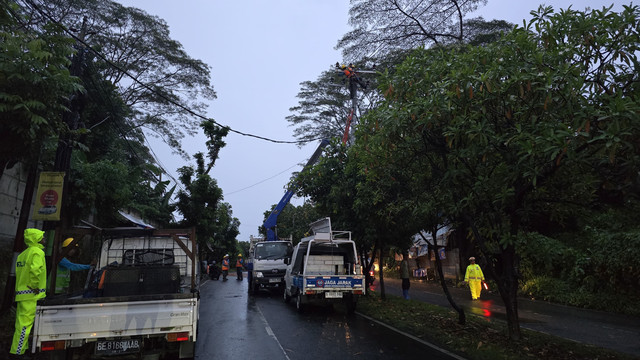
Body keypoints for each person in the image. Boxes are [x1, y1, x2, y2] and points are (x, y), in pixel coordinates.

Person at [10, 228, 47, 358]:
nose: (44, 239)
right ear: (36, 238)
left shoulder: (23, 254)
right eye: (42, 237)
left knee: (21, 325)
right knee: (25, 326)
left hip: (22, 294)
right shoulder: (37, 252)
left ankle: (20, 350)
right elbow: (35, 270)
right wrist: (35, 286)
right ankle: (17, 353)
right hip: (32, 295)